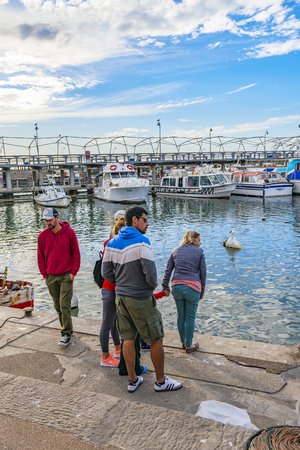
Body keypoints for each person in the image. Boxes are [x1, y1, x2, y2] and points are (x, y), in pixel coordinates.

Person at [102, 205, 183, 393]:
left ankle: (132, 380)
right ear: (134, 220)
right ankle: (161, 382)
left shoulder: (112, 242)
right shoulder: (142, 242)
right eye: (144, 219)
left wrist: (120, 283)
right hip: (140, 298)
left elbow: (105, 272)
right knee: (156, 338)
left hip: (121, 298)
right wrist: (148, 287)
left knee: (128, 338)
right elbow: (151, 275)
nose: (147, 223)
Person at [37, 208, 80, 346]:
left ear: (57, 217)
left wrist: (73, 273)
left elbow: (76, 254)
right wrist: (45, 275)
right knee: (57, 306)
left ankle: (66, 333)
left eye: (50, 220)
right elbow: (40, 257)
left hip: (66, 275)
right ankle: (68, 329)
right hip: (51, 276)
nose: (48, 223)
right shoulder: (42, 236)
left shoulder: (70, 233)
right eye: (46, 220)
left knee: (64, 305)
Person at [162, 231, 206, 354]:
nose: (200, 242)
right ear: (193, 240)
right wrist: (202, 290)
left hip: (177, 286)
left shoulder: (175, 250)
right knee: (190, 317)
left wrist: (165, 286)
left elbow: (168, 270)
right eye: (198, 239)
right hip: (193, 287)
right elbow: (203, 272)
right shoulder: (199, 252)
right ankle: (189, 345)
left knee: (180, 315)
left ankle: (182, 341)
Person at [100, 217, 124, 367]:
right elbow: (107, 271)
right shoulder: (111, 245)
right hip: (109, 288)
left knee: (114, 322)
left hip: (112, 287)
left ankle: (117, 349)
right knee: (107, 323)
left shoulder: (110, 244)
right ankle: (105, 357)